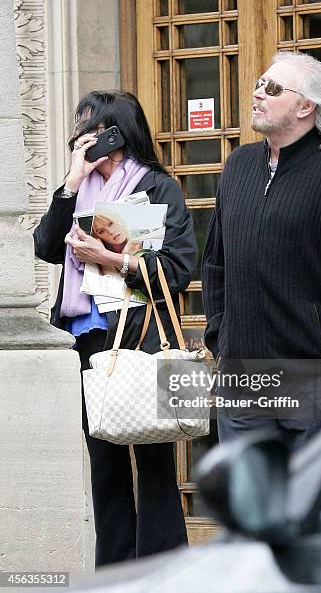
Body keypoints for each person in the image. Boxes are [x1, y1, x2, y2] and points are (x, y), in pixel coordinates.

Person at [33, 90, 196, 566]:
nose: (80, 138)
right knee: (104, 461)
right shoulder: (78, 191)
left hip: (143, 338)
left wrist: (110, 259)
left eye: (91, 129)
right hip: (88, 339)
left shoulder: (157, 188)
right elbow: (45, 246)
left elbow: (178, 268)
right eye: (78, 130)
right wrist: (71, 181)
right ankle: (116, 570)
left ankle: (164, 568)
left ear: (116, 133)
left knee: (153, 454)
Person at [202, 52, 321, 450]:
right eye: (259, 83)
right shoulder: (237, 165)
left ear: (307, 106)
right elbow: (216, 263)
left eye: (272, 89)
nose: (257, 94)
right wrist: (220, 337)